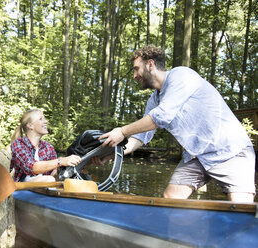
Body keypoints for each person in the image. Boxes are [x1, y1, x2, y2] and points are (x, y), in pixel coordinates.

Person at [99, 46, 256, 203]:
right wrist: (113, 154)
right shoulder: (153, 101)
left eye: (136, 69)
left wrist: (122, 131)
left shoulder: (181, 75)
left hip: (230, 150)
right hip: (198, 155)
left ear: (150, 64)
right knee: (170, 199)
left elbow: (162, 116)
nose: (134, 75)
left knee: (240, 208)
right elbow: (140, 138)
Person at [10, 109, 81, 182]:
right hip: (21, 190)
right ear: (30, 125)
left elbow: (54, 176)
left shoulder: (48, 147)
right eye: (41, 119)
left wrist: (66, 167)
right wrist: (61, 161)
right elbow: (31, 167)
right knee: (49, 179)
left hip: (44, 188)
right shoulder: (18, 144)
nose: (46, 121)